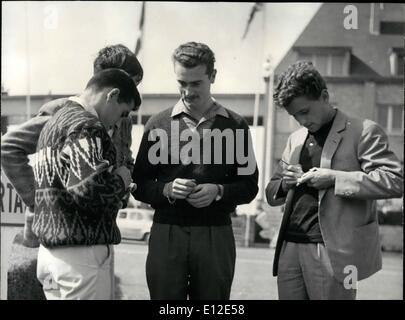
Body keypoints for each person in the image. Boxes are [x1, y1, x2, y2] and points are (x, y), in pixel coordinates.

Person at [266, 61, 403, 300]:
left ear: (325, 96)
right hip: (289, 245)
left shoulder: (364, 130)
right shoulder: (295, 139)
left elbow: (394, 180)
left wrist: (334, 178)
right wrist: (286, 183)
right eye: (294, 115)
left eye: (305, 111)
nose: (301, 120)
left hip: (333, 250)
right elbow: (271, 192)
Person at [132, 42, 259, 300]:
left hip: (216, 234)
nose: (187, 92)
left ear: (213, 77)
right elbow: (140, 185)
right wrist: (166, 189)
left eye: (196, 84)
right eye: (182, 83)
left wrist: (219, 191)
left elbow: (250, 186)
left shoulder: (236, 125)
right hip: (167, 233)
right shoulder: (157, 124)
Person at [1, 44, 143, 249]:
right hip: (55, 232)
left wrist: (121, 190)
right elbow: (8, 147)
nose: (133, 92)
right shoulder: (62, 111)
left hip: (97, 231)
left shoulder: (124, 120)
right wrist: (41, 201)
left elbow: (125, 158)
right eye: (131, 83)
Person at [32, 68, 140, 299]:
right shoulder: (87, 125)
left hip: (51, 252)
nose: (120, 121)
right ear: (112, 95)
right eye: (123, 113)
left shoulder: (53, 123)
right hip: (81, 256)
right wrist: (121, 180)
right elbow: (88, 190)